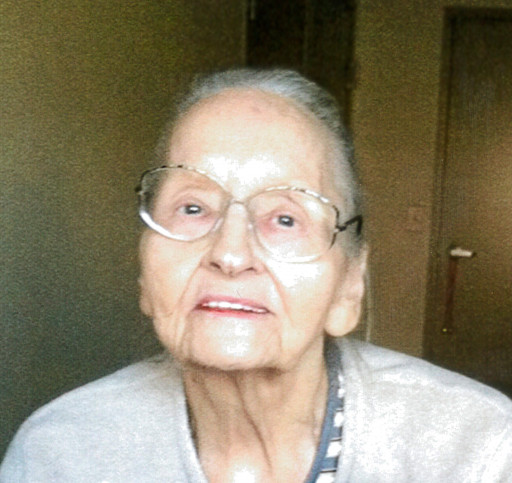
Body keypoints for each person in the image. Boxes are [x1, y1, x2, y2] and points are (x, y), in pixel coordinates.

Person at [1, 68, 511, 482]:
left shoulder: (479, 453)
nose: (230, 253)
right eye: (193, 208)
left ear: (349, 286)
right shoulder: (60, 453)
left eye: (286, 218)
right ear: (145, 275)